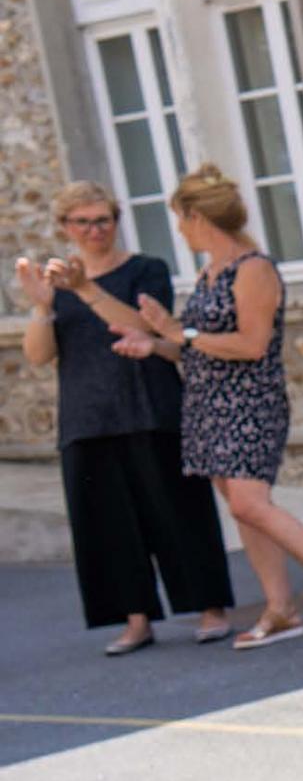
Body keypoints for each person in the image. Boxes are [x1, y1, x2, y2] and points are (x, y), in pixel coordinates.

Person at [99, 168, 303, 650]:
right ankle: (281, 610)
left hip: (251, 402)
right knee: (243, 512)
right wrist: (156, 344)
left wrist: (177, 333)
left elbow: (251, 344)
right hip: (207, 403)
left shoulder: (254, 269)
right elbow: (197, 346)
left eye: (181, 221)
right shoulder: (209, 273)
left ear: (197, 217)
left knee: (251, 503)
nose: (180, 231)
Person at [14, 182, 233, 653]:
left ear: (116, 221)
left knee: (181, 515)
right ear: (65, 228)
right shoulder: (57, 286)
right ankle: (136, 620)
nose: (95, 230)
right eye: (83, 222)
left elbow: (144, 327)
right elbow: (38, 355)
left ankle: (210, 608)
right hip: (87, 417)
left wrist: (85, 289)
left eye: (103, 219)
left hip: (151, 408)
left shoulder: (145, 270)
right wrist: (42, 307)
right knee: (109, 528)